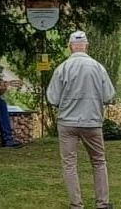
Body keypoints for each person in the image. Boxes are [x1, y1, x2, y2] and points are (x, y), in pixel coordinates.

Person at [46, 30, 115, 209]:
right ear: (87, 46)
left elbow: (53, 98)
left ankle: (76, 204)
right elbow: (108, 95)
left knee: (69, 164)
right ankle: (102, 203)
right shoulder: (98, 67)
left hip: (67, 122)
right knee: (98, 161)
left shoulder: (62, 68)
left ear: (70, 47)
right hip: (92, 121)